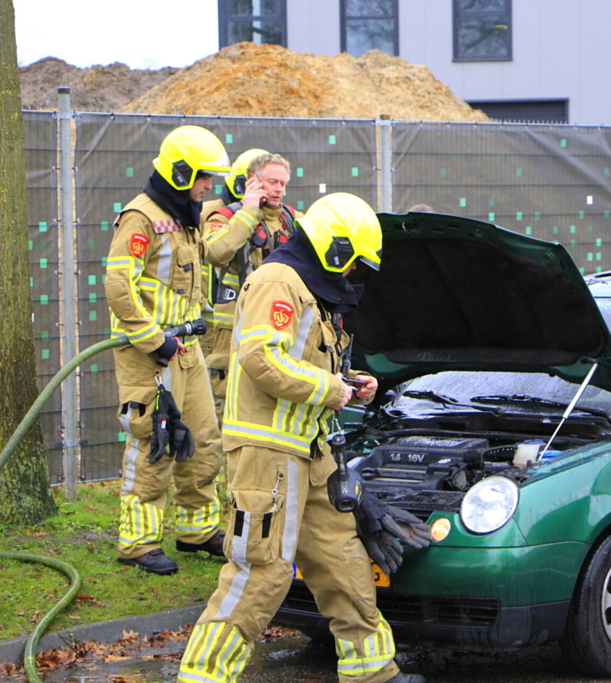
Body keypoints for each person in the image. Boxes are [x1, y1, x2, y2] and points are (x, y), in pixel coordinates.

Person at [178, 193, 423, 683]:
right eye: (351, 261)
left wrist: (350, 383)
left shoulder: (308, 288)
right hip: (268, 455)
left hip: (310, 451)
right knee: (261, 570)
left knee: (341, 559)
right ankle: (203, 676)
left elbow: (300, 362)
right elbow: (262, 359)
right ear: (334, 249)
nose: (351, 273)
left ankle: (372, 670)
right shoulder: (278, 281)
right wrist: (332, 389)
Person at [104, 125, 229, 575]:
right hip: (151, 353)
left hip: (187, 349)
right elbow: (119, 286)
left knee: (204, 440)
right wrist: (154, 340)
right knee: (153, 442)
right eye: (203, 177)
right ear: (179, 174)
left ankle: (198, 530)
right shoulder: (140, 218)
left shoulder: (184, 215)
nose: (208, 187)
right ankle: (138, 543)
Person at [200, 152, 300, 425]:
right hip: (233, 331)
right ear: (253, 182)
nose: (279, 189)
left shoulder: (291, 220)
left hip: (277, 326)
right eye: (272, 182)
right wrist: (249, 210)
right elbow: (215, 251)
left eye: (283, 183)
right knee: (227, 413)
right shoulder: (225, 217)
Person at [197, 147, 271, 424]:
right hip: (213, 325)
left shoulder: (279, 218)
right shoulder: (213, 214)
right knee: (218, 406)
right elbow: (218, 252)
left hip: (255, 322)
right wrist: (248, 211)